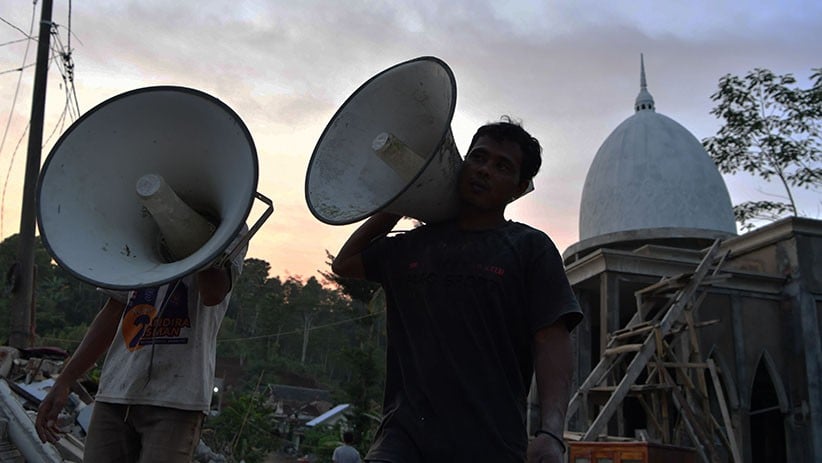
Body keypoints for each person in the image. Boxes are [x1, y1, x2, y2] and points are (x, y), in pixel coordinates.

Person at [331, 118, 583, 463]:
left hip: (490, 445)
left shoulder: (529, 248)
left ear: (519, 187)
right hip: (402, 443)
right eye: (477, 157)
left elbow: (551, 340)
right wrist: (403, 197)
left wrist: (552, 431)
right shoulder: (414, 245)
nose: (483, 170)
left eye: (501, 166)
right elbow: (346, 262)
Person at [35, 231, 247, 463]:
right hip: (115, 393)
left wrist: (185, 230)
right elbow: (113, 310)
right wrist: (65, 380)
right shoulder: (143, 224)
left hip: (176, 400)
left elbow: (213, 292)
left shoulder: (230, 225)